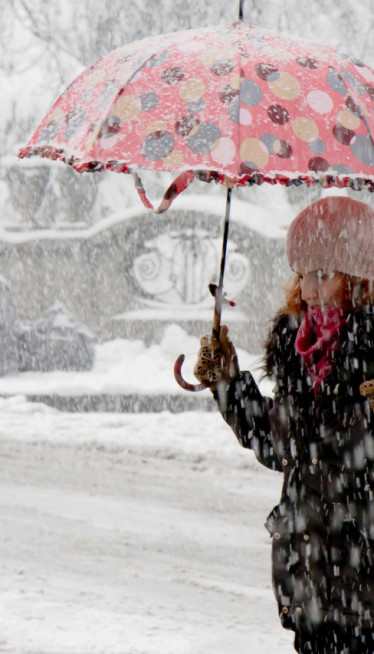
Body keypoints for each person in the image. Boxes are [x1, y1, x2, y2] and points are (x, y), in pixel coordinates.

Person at [193, 196, 374, 654]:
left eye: (324, 275)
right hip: (309, 583)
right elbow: (281, 444)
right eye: (304, 275)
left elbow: (338, 447)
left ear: (359, 280)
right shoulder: (299, 353)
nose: (310, 291)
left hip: (366, 588)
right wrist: (228, 382)